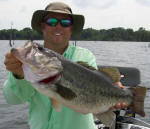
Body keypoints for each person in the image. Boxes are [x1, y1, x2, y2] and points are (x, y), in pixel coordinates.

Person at [3, 2, 126, 129]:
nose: (58, 27)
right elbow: (12, 100)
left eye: (65, 23)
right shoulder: (29, 64)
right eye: (51, 21)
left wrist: (114, 90)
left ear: (71, 28)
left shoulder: (85, 56)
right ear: (43, 26)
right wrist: (18, 75)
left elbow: (94, 86)